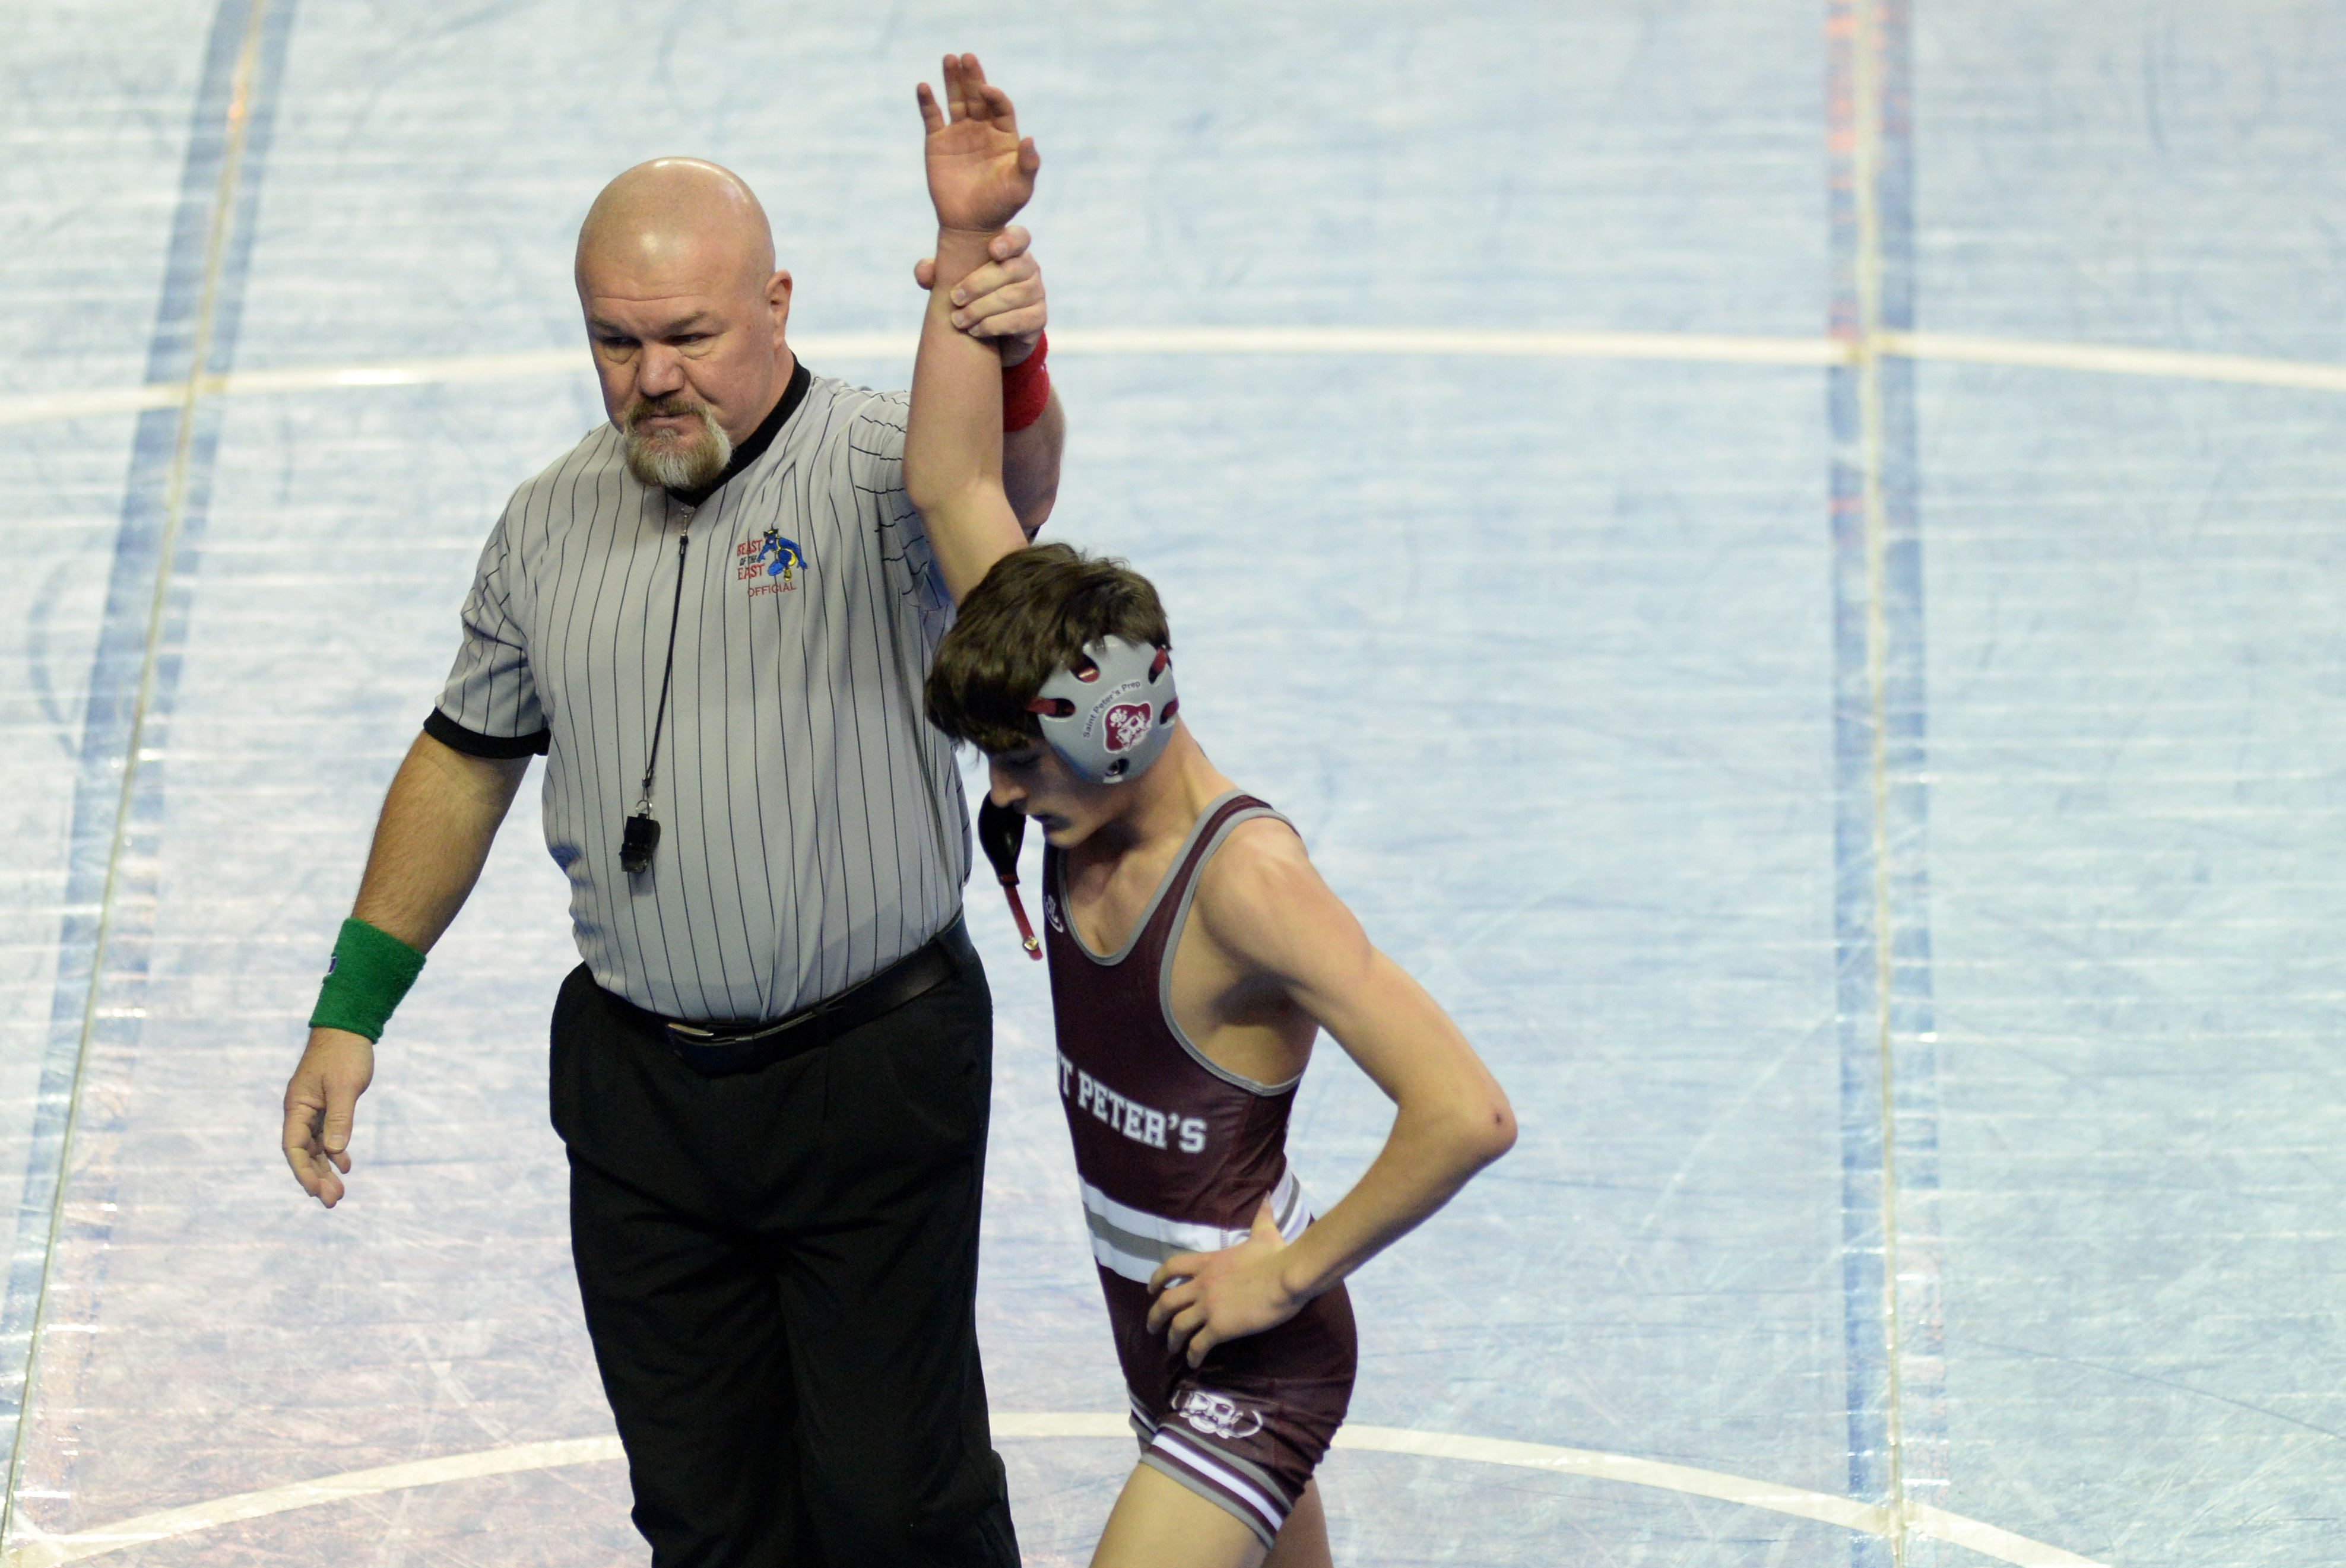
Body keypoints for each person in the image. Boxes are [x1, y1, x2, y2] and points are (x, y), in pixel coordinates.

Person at [281, 55, 1061, 1567]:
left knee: (898, 1508)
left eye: (690, 336)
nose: (653, 378)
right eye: (616, 342)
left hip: (869, 1068)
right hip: (640, 1093)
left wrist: (997, 326)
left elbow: (1001, 498)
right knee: (704, 1520)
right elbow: (463, 755)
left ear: (776, 303)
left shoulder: (880, 473)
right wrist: (350, 1007)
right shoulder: (547, 521)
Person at [901, 67, 1518, 1568]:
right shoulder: (1048, 696)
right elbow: (949, 477)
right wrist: (971, 241)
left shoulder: (1247, 886)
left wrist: (1289, 1272)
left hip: (1253, 1347)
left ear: (1115, 737)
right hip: (1157, 1322)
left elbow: (1467, 1111)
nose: (1004, 798)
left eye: (1022, 773)